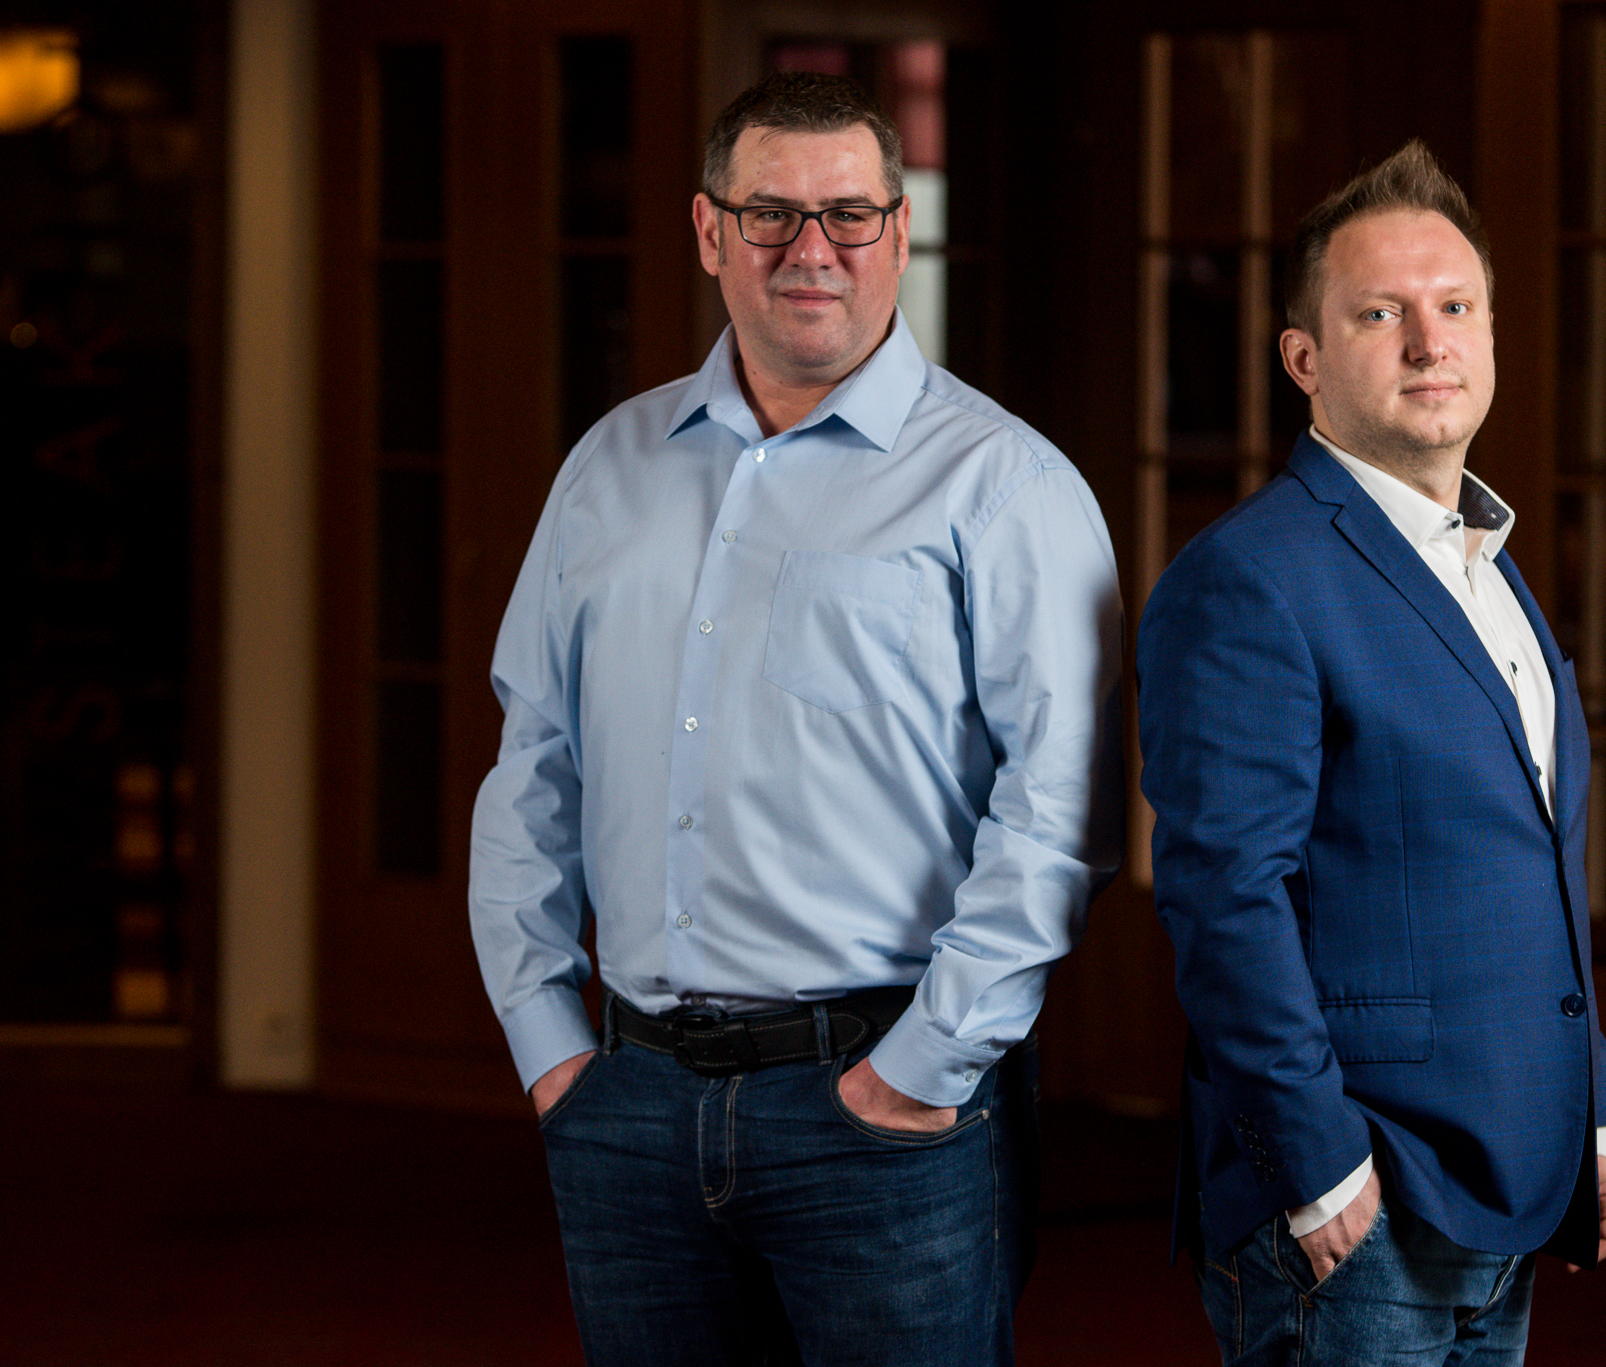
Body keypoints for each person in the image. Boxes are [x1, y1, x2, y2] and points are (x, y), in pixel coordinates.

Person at [469, 72, 1122, 1367]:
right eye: (769, 213)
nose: (809, 249)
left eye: (848, 215)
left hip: (881, 1101)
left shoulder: (1004, 485)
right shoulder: (608, 467)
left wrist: (923, 1067)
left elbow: (1059, 812)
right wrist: (549, 1041)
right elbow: (532, 763)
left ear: (899, 229)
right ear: (709, 230)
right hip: (629, 1101)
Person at [1136, 141, 1606, 1365]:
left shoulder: (1485, 563)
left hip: (1507, 1175)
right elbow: (1221, 894)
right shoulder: (1248, 578)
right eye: (1379, 313)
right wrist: (1315, 1166)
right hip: (1357, 1205)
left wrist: (1593, 1107)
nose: (1427, 341)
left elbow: (1521, 860)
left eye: (1454, 307)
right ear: (1302, 359)